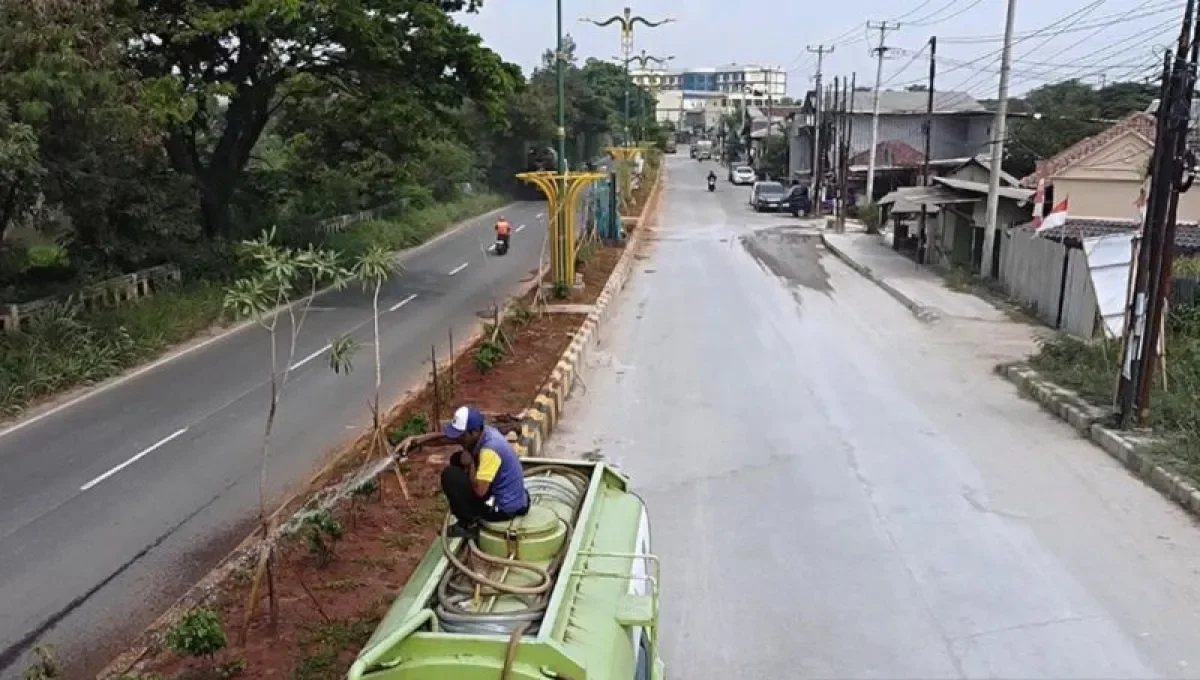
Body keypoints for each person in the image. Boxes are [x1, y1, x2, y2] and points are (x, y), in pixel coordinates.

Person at [439, 405, 529, 538]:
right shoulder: (487, 432)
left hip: (504, 509)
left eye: (461, 436)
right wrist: (417, 441)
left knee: (450, 475)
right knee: (457, 458)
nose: (458, 440)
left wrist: (471, 464)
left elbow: (480, 492)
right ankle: (467, 509)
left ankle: (469, 525)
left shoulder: (490, 450)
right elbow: (445, 438)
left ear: (473, 432)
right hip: (516, 500)